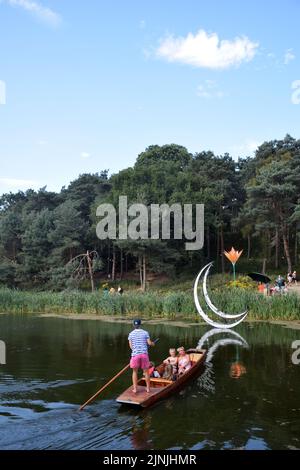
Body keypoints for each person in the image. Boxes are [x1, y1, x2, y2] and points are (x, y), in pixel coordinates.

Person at [128, 319, 155, 394]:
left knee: (135, 372)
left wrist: (136, 350)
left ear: (134, 325)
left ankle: (135, 389)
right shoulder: (145, 332)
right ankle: (148, 389)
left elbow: (131, 346)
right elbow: (149, 343)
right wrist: (153, 344)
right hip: (144, 354)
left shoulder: (131, 334)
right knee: (146, 372)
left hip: (135, 355)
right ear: (140, 325)